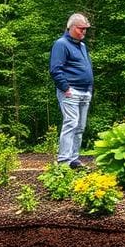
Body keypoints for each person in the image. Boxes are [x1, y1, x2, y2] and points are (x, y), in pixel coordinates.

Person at [49, 13, 94, 168]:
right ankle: (63, 161)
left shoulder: (82, 46)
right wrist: (65, 88)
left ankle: (74, 159)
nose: (84, 32)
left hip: (85, 91)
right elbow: (55, 69)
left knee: (80, 127)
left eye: (85, 29)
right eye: (81, 29)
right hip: (71, 91)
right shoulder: (61, 44)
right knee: (71, 124)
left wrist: (89, 87)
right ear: (72, 27)